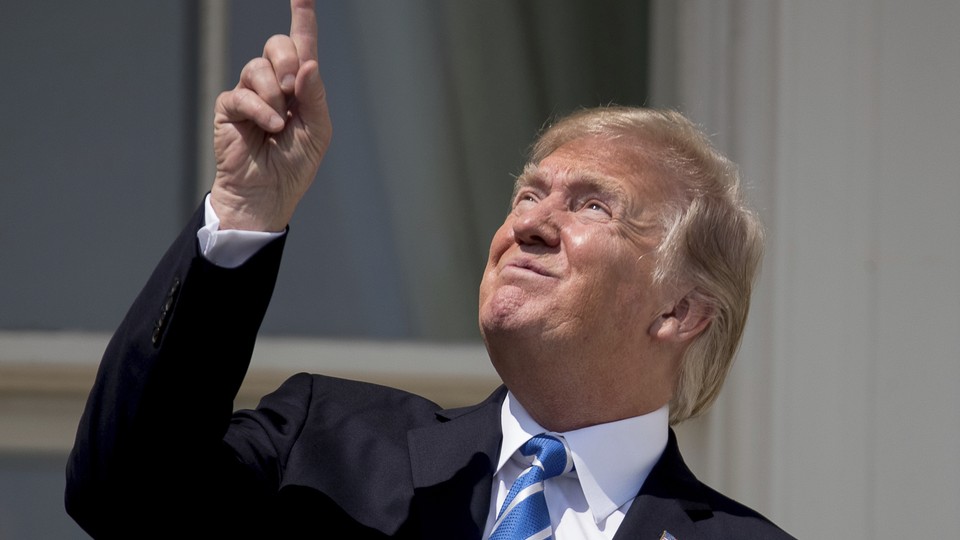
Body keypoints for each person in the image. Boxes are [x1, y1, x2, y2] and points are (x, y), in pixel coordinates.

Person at [65, 1, 793, 538]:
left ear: (679, 312)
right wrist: (244, 210)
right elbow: (122, 494)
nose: (529, 223)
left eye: (594, 207)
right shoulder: (326, 446)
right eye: (529, 193)